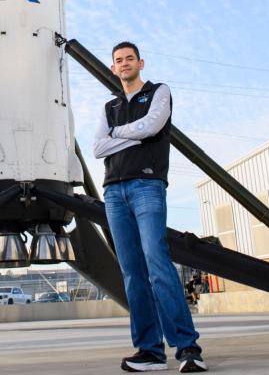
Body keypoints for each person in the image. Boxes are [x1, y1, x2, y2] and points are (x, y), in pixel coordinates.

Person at [94, 41, 207, 373]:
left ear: (140, 63)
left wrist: (119, 134)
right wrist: (133, 134)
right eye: (119, 60)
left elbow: (154, 126)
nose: (125, 63)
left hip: (147, 186)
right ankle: (149, 351)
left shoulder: (160, 92)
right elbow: (99, 148)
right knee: (132, 274)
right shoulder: (108, 107)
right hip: (114, 192)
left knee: (158, 264)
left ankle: (188, 349)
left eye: (130, 58)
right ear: (113, 68)